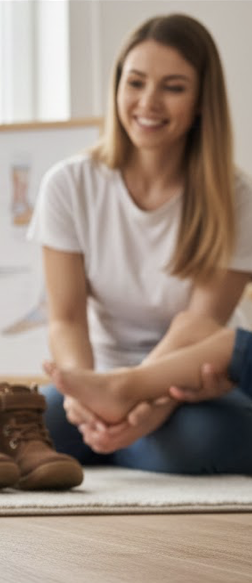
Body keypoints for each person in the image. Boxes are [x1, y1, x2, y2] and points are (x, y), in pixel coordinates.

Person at [28, 13, 252, 475]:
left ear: (201, 102)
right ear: (117, 88)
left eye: (173, 87)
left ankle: (116, 444)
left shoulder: (236, 196)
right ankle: (113, 440)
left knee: (197, 443)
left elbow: (201, 322)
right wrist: (82, 393)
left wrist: (143, 403)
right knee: (4, 426)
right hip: (99, 377)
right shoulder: (69, 184)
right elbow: (66, 319)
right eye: (135, 82)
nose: (148, 102)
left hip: (187, 380)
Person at [42, 312, 251, 454]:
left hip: (184, 389)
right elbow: (66, 319)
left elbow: (208, 325)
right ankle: (122, 390)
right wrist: (77, 394)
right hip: (99, 380)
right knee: (40, 418)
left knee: (203, 434)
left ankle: (123, 390)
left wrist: (151, 399)